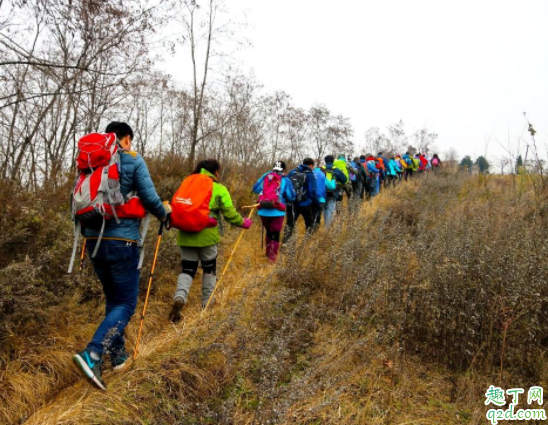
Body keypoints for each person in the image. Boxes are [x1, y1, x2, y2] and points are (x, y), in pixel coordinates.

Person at [73, 121, 170, 391]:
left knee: (114, 300)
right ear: (126, 138)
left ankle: (117, 356)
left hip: (92, 241)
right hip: (122, 241)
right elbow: (150, 198)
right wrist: (165, 214)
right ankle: (92, 355)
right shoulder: (132, 160)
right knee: (126, 304)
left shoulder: (90, 162)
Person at [169, 159, 252, 322]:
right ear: (215, 172)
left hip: (185, 234)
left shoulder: (187, 182)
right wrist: (243, 222)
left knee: (187, 269)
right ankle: (207, 307)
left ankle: (180, 297)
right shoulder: (219, 188)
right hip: (207, 235)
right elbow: (229, 213)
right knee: (209, 269)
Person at [253, 161, 295, 262]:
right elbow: (291, 196)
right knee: (275, 233)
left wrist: (264, 175)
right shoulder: (285, 180)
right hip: (278, 211)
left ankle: (267, 253)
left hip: (263, 210)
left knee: (268, 231)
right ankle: (272, 258)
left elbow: (255, 189)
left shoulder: (266, 178)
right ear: (284, 170)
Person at [283, 158, 319, 241]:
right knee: (309, 223)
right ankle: (306, 244)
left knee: (290, 223)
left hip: (291, 203)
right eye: (313, 166)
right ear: (310, 165)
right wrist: (317, 202)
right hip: (305, 204)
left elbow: (286, 184)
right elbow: (312, 191)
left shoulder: (293, 171)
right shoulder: (310, 174)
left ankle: (285, 243)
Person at [321, 155, 347, 227]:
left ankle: (326, 224)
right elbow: (344, 180)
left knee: (325, 209)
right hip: (332, 192)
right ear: (333, 161)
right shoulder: (336, 170)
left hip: (323, 193)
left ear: (325, 161)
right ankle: (328, 228)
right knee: (331, 209)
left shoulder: (321, 169)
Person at [312, 162, 327, 229]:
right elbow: (326, 186)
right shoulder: (323, 174)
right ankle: (316, 228)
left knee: (312, 214)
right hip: (320, 198)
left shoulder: (311, 173)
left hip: (311, 197)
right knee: (318, 214)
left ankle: (310, 229)